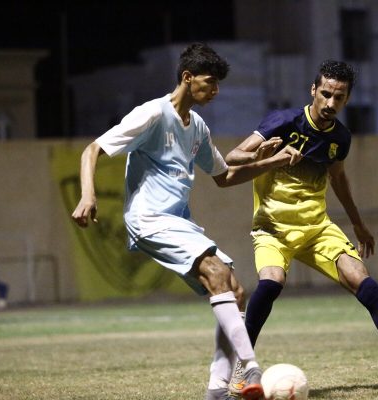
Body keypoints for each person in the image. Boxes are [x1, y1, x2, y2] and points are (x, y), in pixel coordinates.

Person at [71, 43, 301, 400]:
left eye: (218, 84)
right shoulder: (152, 114)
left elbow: (224, 176)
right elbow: (92, 150)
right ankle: (250, 366)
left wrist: (273, 162)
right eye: (210, 82)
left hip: (178, 221)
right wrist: (88, 195)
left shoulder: (198, 127)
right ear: (188, 77)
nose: (216, 90)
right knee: (218, 273)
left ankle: (217, 389)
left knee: (235, 291)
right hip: (149, 218)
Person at [225, 60, 378, 392]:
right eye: (326, 94)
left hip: (317, 228)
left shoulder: (340, 138)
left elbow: (338, 179)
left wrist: (358, 224)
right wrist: (264, 155)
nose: (331, 103)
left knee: (365, 282)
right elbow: (232, 157)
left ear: (347, 99)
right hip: (272, 228)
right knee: (271, 283)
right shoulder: (283, 121)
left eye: (339, 97)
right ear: (313, 90)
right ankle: (241, 368)